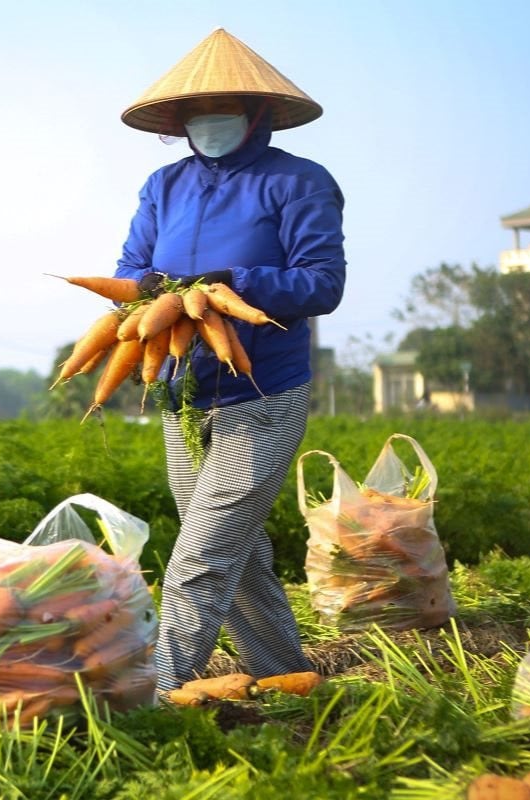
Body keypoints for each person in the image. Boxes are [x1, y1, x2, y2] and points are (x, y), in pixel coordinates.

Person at [112, 28, 347, 693]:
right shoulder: (164, 186)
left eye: (225, 108)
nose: (208, 122)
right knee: (235, 557)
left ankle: (153, 697)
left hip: (263, 394)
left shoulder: (298, 184)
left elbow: (322, 283)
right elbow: (130, 268)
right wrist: (147, 291)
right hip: (183, 398)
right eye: (196, 111)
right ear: (179, 121)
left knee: (201, 557)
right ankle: (286, 678)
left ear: (260, 114)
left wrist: (237, 282)